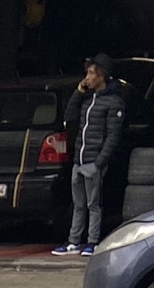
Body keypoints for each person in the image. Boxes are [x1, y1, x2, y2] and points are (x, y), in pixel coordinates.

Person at [53, 53, 125, 257]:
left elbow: (113, 136)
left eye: (92, 73)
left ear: (102, 75)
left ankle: (92, 241)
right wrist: (78, 93)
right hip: (79, 159)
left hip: (94, 161)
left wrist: (100, 162)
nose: (88, 77)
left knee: (94, 204)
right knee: (78, 204)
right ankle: (73, 240)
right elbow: (70, 117)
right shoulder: (86, 98)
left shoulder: (114, 102)